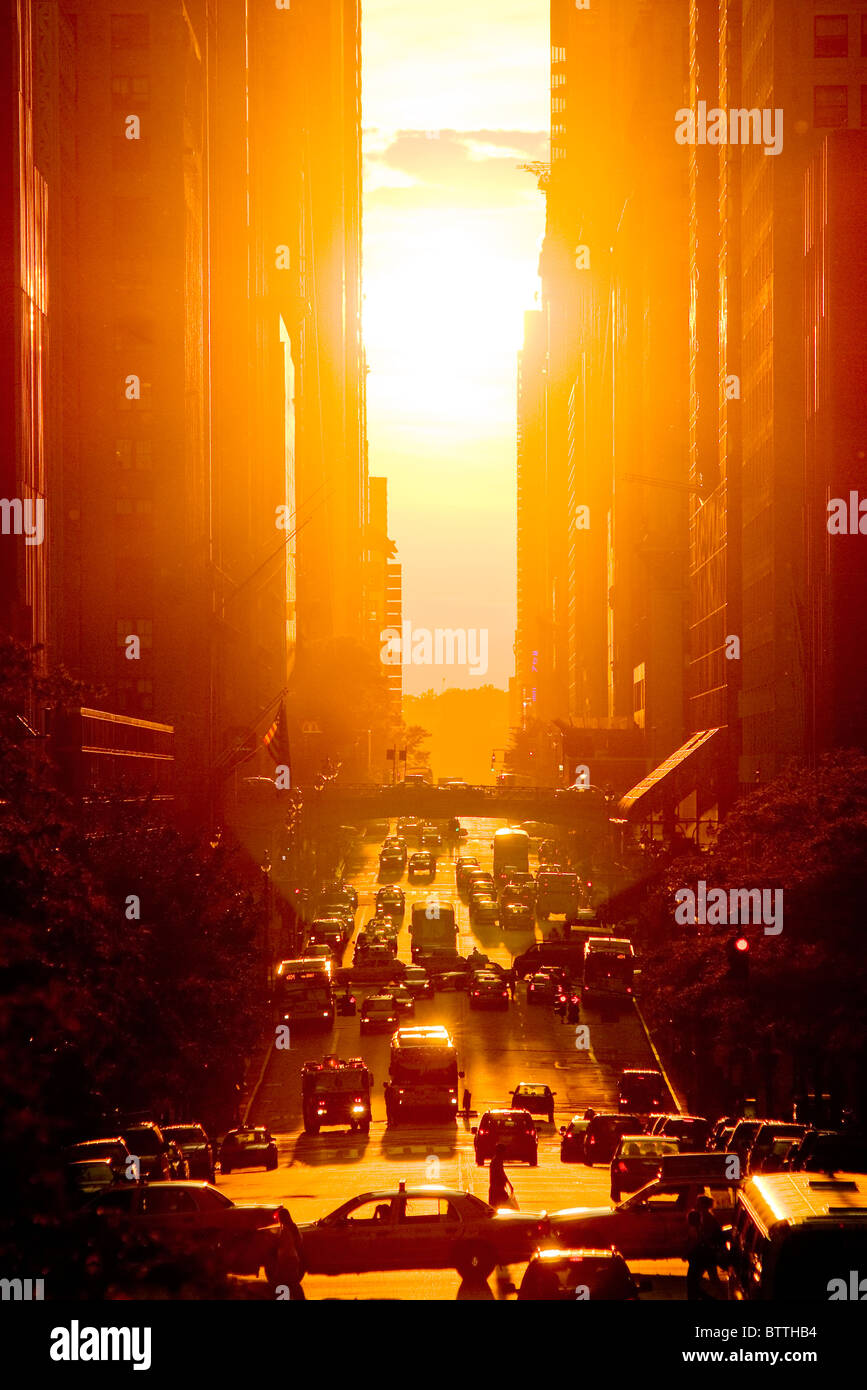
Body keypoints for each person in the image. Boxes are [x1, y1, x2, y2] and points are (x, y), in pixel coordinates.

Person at [686, 1194, 726, 1300]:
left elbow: (705, 1236)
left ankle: (722, 1296)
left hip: (707, 1252)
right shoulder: (705, 1216)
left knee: (696, 1281)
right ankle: (723, 1296)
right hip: (708, 1252)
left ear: (703, 1205)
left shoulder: (707, 1218)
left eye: (698, 1203)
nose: (696, 1205)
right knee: (712, 1278)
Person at [488, 1143, 516, 1209]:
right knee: (511, 1207)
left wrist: (509, 1184)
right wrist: (509, 1185)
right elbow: (501, 1173)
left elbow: (502, 1173)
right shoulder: (496, 1161)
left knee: (495, 1208)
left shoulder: (497, 1160)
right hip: (497, 1189)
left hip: (497, 1189)